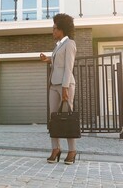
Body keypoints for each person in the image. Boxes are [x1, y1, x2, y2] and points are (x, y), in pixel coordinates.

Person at [40, 13, 78, 165]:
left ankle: (72, 151)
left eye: (55, 28)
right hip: (53, 85)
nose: (53, 31)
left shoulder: (70, 44)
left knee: (67, 118)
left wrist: (65, 89)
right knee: (53, 119)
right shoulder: (58, 46)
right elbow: (58, 63)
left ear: (62, 29)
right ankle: (55, 149)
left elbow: (68, 68)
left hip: (65, 85)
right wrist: (48, 59)